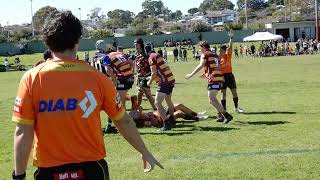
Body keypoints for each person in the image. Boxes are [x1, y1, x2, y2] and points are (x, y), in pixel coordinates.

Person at [12, 11, 163, 180]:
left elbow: (23, 131)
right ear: (78, 41)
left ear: (47, 42)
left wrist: (19, 175)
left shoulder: (31, 78)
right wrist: (144, 151)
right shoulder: (98, 78)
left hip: (49, 171)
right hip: (92, 169)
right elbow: (123, 120)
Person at [185, 41, 233, 123]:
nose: (200, 50)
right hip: (219, 78)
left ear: (203, 47)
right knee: (213, 99)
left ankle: (226, 115)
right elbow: (215, 67)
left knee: (212, 99)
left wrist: (191, 74)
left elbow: (201, 65)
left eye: (200, 48)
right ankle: (222, 115)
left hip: (214, 79)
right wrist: (206, 74)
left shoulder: (205, 54)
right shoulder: (214, 54)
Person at [129, 96, 208, 128]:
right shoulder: (137, 120)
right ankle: (197, 118)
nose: (136, 104)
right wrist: (140, 111)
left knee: (179, 105)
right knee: (178, 113)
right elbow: (155, 123)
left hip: (160, 112)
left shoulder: (133, 112)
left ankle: (197, 114)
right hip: (162, 120)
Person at [147, 51, 176, 131]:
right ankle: (172, 119)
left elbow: (154, 73)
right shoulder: (158, 56)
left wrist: (149, 83)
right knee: (168, 100)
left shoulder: (151, 57)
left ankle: (167, 123)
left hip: (164, 82)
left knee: (157, 103)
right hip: (170, 79)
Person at [219, 30, 244, 113]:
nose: (219, 52)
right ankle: (224, 110)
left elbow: (230, 47)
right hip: (222, 77)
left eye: (221, 51)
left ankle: (236, 108)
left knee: (234, 92)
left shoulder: (228, 55)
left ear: (224, 51)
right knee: (223, 94)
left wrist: (231, 38)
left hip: (230, 76)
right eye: (219, 51)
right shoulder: (218, 59)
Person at [134, 38, 157, 110]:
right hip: (140, 77)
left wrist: (150, 75)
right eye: (134, 44)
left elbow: (150, 64)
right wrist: (137, 76)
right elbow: (138, 67)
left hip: (145, 77)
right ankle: (137, 107)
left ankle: (156, 109)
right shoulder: (137, 54)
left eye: (136, 44)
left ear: (140, 45)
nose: (135, 46)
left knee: (147, 94)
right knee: (140, 93)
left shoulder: (145, 54)